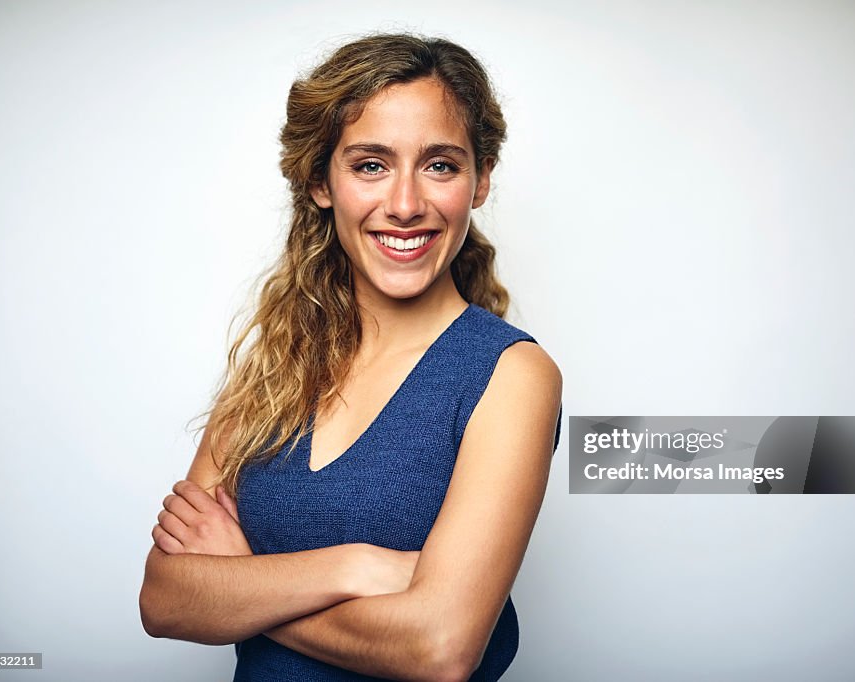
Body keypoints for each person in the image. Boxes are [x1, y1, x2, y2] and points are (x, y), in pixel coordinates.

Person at [138, 33, 563, 681]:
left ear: (479, 183)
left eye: (440, 166)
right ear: (319, 182)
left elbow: (439, 647)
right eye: (370, 164)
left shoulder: (510, 376)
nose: (404, 205)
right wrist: (357, 565)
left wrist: (243, 583)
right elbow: (165, 600)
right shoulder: (272, 368)